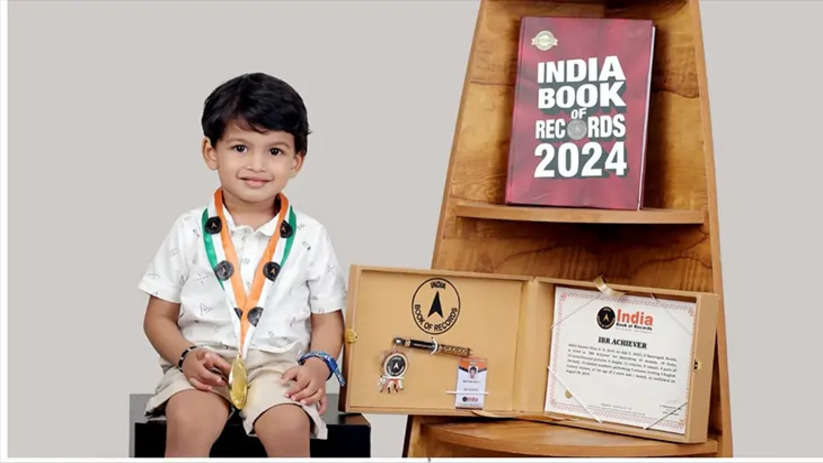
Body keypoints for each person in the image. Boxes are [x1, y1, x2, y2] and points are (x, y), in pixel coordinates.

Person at [138, 72, 346, 457]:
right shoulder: (187, 231)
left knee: (288, 425)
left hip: (280, 369)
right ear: (210, 152)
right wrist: (186, 357)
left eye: (275, 151)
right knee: (188, 418)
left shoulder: (311, 236)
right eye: (240, 148)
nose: (257, 164)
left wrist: (317, 367)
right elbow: (157, 318)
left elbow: (328, 320)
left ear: (297, 161)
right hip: (205, 366)